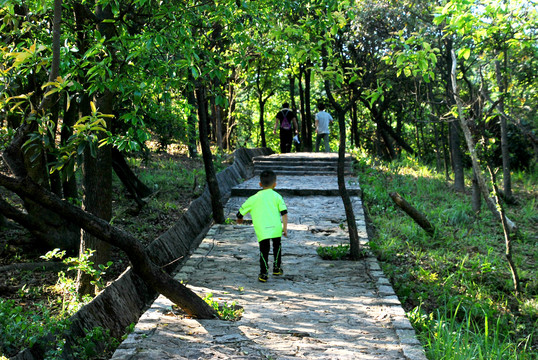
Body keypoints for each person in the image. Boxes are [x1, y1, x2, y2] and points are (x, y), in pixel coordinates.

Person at [236, 170, 288, 282]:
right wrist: (285, 228)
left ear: (260, 184)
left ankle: (264, 274)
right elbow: (284, 213)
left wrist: (240, 219)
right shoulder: (277, 196)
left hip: (262, 230)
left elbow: (240, 212)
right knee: (277, 247)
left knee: (264, 251)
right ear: (275, 184)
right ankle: (277, 268)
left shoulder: (253, 198)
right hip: (275, 228)